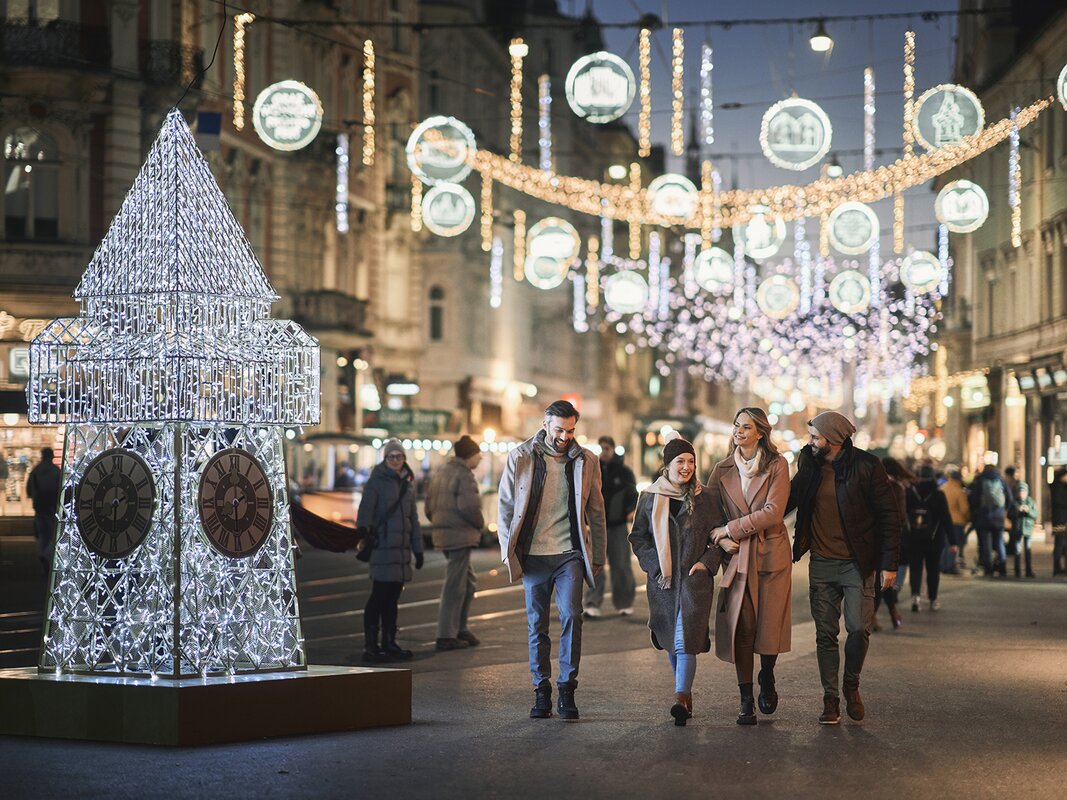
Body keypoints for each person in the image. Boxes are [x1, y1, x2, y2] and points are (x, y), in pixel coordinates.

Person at [788, 412, 900, 725]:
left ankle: (851, 684)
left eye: (815, 437)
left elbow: (890, 517)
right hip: (822, 562)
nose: (810, 443)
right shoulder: (809, 465)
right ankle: (830, 698)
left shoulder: (867, 466)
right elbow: (789, 499)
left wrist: (888, 564)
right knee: (825, 634)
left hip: (857, 562)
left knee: (858, 628)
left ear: (834, 439)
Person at [497, 400, 607, 721]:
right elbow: (505, 507)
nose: (565, 437)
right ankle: (541, 688)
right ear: (545, 424)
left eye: (571, 430)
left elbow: (596, 511)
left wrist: (597, 554)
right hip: (532, 556)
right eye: (559, 429)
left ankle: (567, 688)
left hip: (568, 554)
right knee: (537, 624)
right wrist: (508, 551)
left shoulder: (587, 460)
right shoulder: (520, 457)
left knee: (573, 615)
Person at [705, 408, 791, 725]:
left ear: (760, 433)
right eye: (736, 425)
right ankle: (745, 699)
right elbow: (710, 513)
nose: (739, 431)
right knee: (744, 627)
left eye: (746, 427)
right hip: (738, 559)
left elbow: (773, 512)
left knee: (768, 629)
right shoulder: (722, 468)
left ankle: (766, 674)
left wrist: (730, 530)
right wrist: (718, 540)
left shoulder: (777, 465)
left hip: (771, 556)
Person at [629, 434, 720, 726]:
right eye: (680, 461)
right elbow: (638, 536)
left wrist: (706, 564)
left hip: (694, 582)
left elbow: (719, 538)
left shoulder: (705, 498)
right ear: (667, 465)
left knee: (685, 642)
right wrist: (654, 565)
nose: (687, 467)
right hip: (663, 583)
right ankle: (685, 693)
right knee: (672, 641)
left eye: (691, 461)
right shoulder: (650, 497)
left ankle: (681, 695)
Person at [357, 439, 424, 662]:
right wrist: (362, 532)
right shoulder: (376, 481)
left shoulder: (408, 482)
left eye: (399, 456)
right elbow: (366, 509)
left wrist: (418, 549)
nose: (395, 460)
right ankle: (371, 645)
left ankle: (388, 642)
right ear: (385, 459)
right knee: (379, 595)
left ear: (404, 459)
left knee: (393, 597)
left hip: (401, 550)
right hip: (383, 547)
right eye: (391, 456)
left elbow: (412, 518)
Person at [427, 434, 486, 651]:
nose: (480, 459)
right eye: (478, 455)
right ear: (469, 455)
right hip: (459, 535)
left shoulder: (441, 472)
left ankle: (460, 628)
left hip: (444, 532)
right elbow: (469, 507)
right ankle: (446, 634)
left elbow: (428, 506)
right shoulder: (464, 476)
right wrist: (480, 523)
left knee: (468, 582)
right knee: (454, 586)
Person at [584, 435, 638, 618]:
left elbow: (633, 495)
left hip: (618, 526)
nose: (604, 452)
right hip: (597, 526)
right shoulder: (593, 470)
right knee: (595, 565)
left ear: (613, 449)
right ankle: (592, 602)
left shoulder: (624, 472)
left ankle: (624, 602)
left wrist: (630, 512)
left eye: (607, 448)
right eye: (601, 448)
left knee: (621, 565)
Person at [905, 465, 952, 612]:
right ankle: (933, 599)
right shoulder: (938, 495)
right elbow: (946, 518)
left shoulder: (910, 493)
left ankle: (915, 597)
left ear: (918, 476)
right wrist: (954, 541)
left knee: (915, 568)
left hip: (914, 537)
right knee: (933, 569)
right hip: (934, 538)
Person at [876, 457, 914, 630]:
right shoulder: (898, 488)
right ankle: (890, 612)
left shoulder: (876, 486)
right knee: (884, 578)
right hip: (891, 539)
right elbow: (900, 517)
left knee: (878, 578)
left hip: (875, 538)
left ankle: (876, 616)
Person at [968, 462, 1011, 577]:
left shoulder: (981, 480)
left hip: (984, 516)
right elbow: (1010, 498)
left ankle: (988, 568)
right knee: (1000, 542)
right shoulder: (1001, 480)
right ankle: (1002, 567)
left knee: (986, 543)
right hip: (999, 516)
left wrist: (976, 511)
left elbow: (975, 499)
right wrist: (1004, 510)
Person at [26, 447, 61, 575]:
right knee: (54, 534)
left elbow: (29, 489)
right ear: (51, 456)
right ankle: (46, 555)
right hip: (51, 507)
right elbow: (60, 489)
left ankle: (43, 554)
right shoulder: (55, 471)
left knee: (43, 534)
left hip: (39, 506)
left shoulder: (36, 471)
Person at [941, 469, 970, 574]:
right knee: (953, 545)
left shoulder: (942, 489)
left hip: (943, 521)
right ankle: (950, 566)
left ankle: (942, 565)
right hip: (956, 522)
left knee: (944, 544)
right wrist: (967, 519)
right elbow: (964, 509)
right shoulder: (959, 491)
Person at [1012, 481, 1036, 578]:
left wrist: (1028, 511)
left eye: (1024, 492)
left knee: (1028, 550)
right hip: (1017, 529)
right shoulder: (1014, 502)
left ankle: (1028, 570)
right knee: (1017, 551)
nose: (1022, 494)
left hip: (1028, 529)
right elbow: (1010, 514)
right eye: (1020, 492)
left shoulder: (1030, 502)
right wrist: (1017, 511)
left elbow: (1035, 514)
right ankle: (1017, 571)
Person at [1049, 468, 1067, 576]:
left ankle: (1058, 567)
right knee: (1060, 543)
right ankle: (1058, 567)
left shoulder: (1056, 486)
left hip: (1058, 520)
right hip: (1061, 520)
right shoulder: (1060, 488)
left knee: (1059, 543)